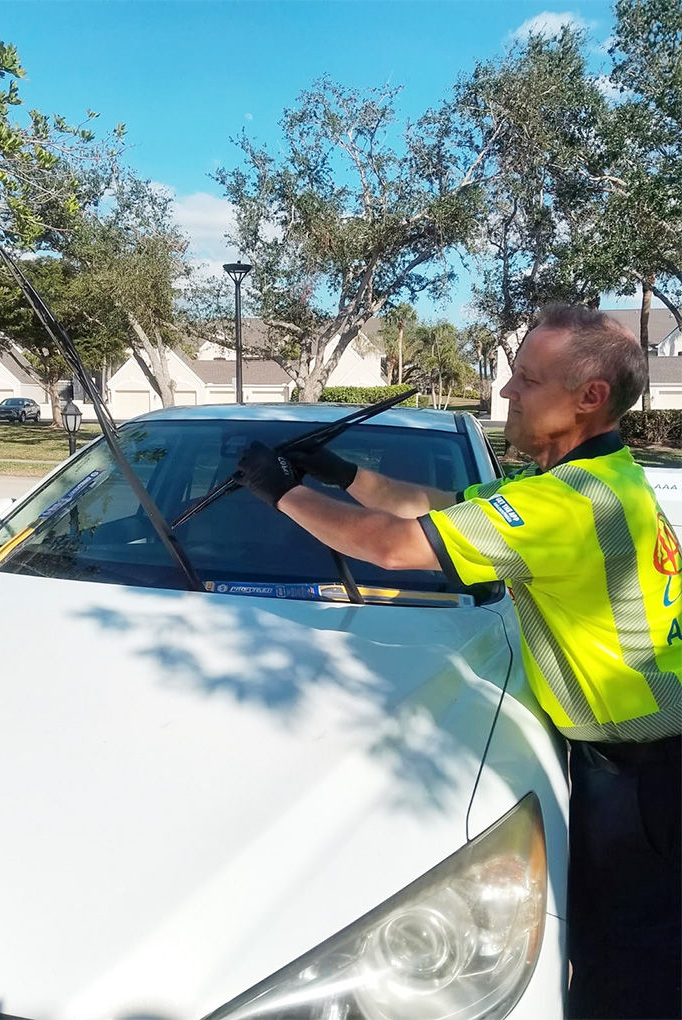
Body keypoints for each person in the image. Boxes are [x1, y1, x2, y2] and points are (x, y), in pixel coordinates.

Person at [236, 304, 682, 1020]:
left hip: (645, 780)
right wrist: (339, 471)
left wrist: (280, 492)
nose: (506, 393)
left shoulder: (565, 506)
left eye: (527, 380)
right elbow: (439, 509)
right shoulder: (593, 482)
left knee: (629, 970)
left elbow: (391, 547)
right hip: (639, 766)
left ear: (589, 397)